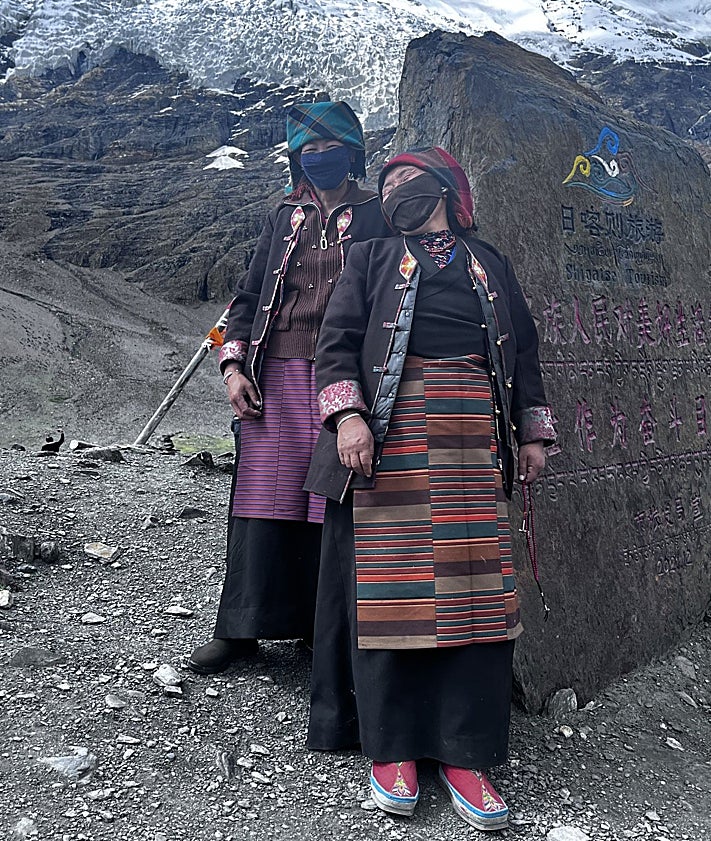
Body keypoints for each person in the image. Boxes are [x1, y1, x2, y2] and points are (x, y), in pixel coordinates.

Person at [304, 147, 556, 830]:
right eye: (384, 184)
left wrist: (531, 433)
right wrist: (349, 415)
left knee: (476, 597)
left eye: (404, 180)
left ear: (445, 188)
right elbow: (336, 343)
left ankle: (465, 753)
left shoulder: (489, 262)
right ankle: (393, 749)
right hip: (390, 439)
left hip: (473, 438)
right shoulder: (372, 259)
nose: (390, 191)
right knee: (397, 595)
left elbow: (524, 352)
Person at [188, 101, 392, 675]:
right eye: (310, 150)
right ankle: (242, 628)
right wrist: (233, 368)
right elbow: (248, 298)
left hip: (346, 375)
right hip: (274, 374)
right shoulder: (284, 218)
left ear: (353, 154)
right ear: (297, 157)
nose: (320, 159)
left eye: (331, 150)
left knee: (328, 503)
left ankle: (319, 631)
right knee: (261, 501)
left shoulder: (379, 218)